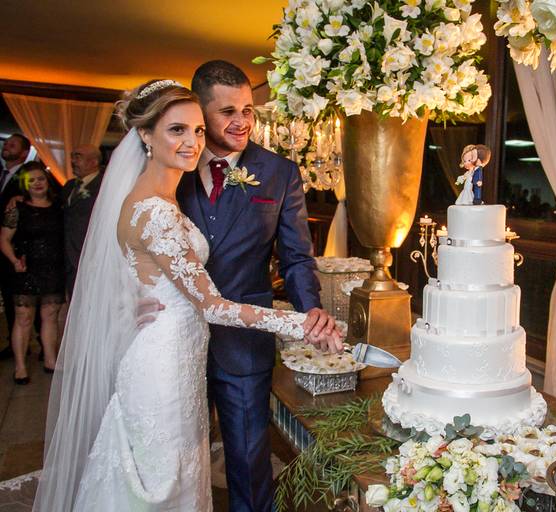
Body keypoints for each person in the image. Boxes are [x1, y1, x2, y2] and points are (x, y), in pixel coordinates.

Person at [32, 80, 342, 511]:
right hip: (165, 363)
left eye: (197, 131)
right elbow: (211, 304)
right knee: (164, 483)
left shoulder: (161, 196)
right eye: (178, 130)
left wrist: (133, 299)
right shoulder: (155, 208)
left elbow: (137, 267)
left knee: (191, 474)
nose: (193, 142)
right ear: (145, 135)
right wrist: (300, 325)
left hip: (185, 355)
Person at [176, 60, 335, 512]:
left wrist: (310, 312)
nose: (242, 121)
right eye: (227, 111)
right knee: (177, 456)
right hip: (177, 333)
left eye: (248, 109)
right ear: (200, 113)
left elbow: (297, 255)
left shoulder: (280, 172)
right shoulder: (174, 163)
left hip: (244, 338)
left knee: (248, 458)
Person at [0, 162, 65, 383]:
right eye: (32, 180)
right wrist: (13, 260)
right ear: (25, 185)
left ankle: (50, 359)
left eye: (41, 179)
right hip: (26, 270)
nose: (37, 183)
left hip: (54, 268)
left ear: (47, 182)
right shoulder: (17, 208)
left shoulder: (59, 206)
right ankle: (20, 367)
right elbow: (4, 240)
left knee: (50, 316)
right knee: (24, 318)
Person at [0, 134, 31, 356]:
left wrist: (22, 198)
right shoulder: (1, 175)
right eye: (6, 143)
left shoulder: (26, 176)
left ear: (23, 153)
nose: (6, 146)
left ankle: (18, 345)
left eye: (12, 144)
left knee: (17, 298)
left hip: (17, 246)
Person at [61, 144, 104, 298]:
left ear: (93, 162)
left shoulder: (104, 186)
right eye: (72, 156)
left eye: (77, 156)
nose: (73, 160)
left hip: (92, 256)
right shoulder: (69, 186)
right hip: (68, 256)